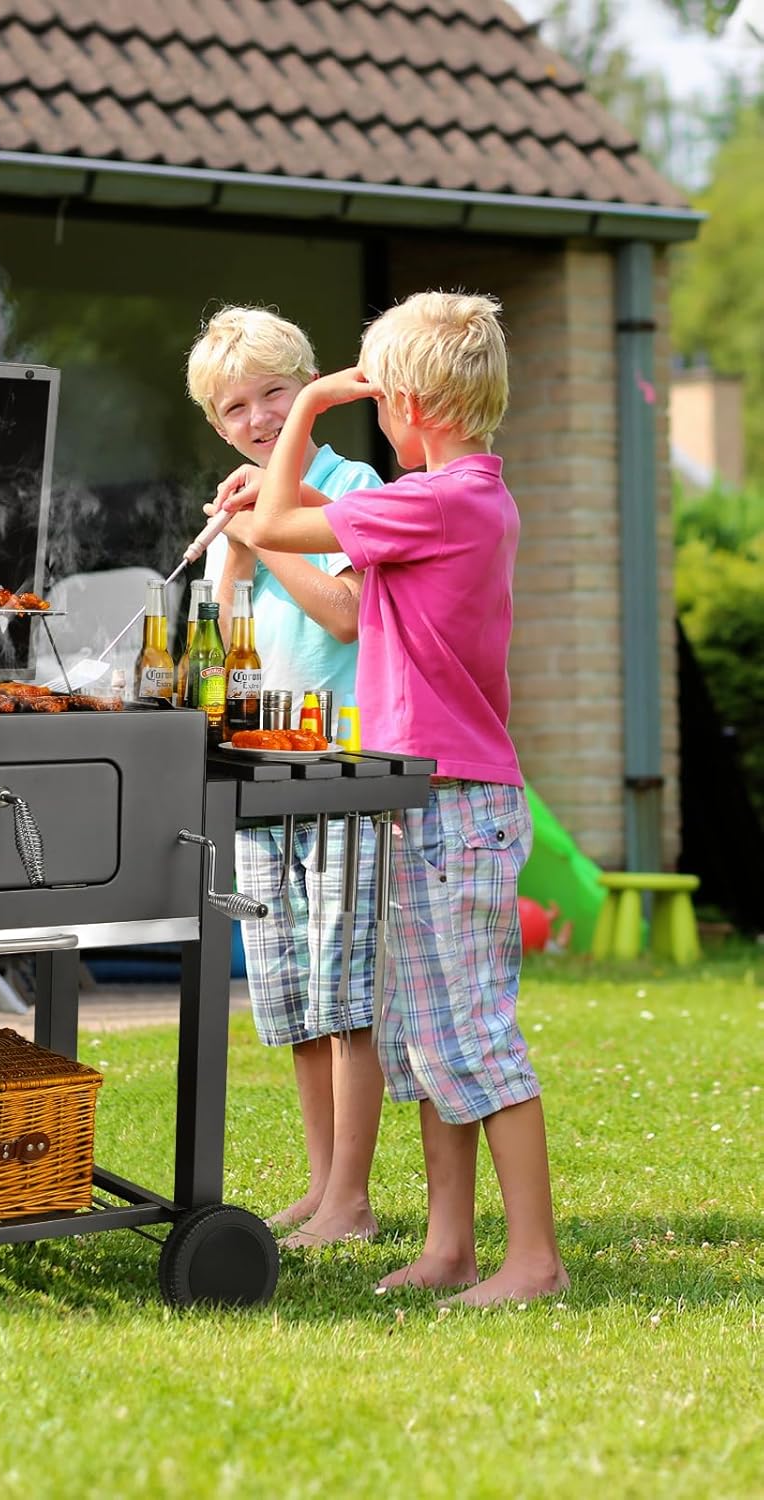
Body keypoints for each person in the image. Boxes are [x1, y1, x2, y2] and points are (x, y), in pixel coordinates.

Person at [211, 291, 569, 1304]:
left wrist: (309, 406)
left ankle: (534, 1262)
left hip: (454, 803)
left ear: (409, 404)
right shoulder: (459, 497)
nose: (365, 410)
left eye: (374, 396)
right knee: (427, 1038)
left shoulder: (435, 501)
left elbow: (276, 523)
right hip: (422, 796)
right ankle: (450, 1248)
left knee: (476, 1038)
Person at [186, 306, 386, 1247]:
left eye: (274, 394)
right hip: (264, 772)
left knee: (347, 999)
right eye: (236, 407)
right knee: (294, 998)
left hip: (341, 771)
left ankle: (352, 1200)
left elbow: (346, 614)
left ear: (308, 390)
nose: (259, 417)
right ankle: (320, 1185)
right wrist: (233, 555)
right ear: (216, 422)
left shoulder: (351, 487)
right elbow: (221, 655)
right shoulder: (243, 506)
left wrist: (264, 533)